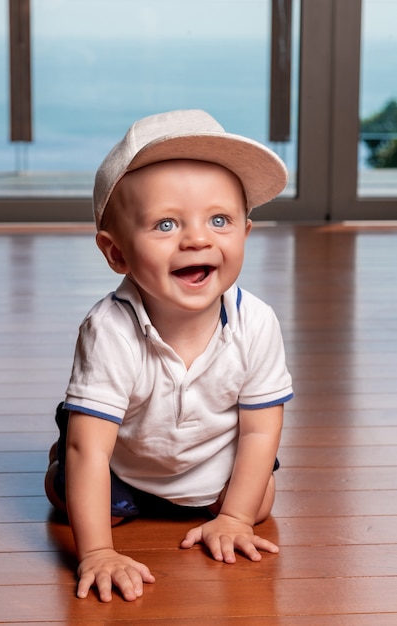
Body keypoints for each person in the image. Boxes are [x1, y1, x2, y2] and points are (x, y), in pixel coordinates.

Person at [44, 109, 293, 603]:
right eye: (165, 224)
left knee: (259, 499)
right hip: (128, 466)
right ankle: (68, 460)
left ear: (245, 232)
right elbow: (91, 451)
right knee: (75, 492)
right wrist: (96, 552)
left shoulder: (256, 321)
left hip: (212, 467)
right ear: (117, 254)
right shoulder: (109, 330)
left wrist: (235, 518)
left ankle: (222, 506)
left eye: (219, 220)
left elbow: (262, 427)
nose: (198, 239)